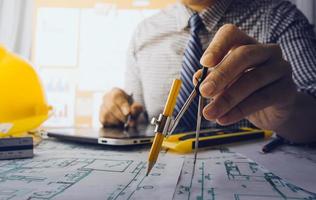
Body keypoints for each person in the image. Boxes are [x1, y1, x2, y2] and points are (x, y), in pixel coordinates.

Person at [99, 0, 316, 143]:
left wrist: (287, 112)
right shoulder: (143, 32)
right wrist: (120, 113)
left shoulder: (280, 17)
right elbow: (138, 117)